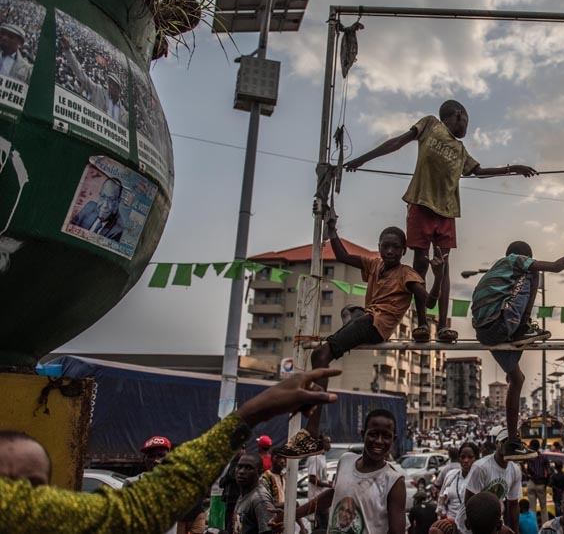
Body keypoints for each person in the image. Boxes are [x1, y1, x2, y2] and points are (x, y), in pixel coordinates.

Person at [0, 367, 341, 534]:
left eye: (32, 487)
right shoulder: (132, 489)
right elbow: (142, 507)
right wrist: (252, 413)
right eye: (6, 482)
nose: (19, 496)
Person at [344, 100, 539, 343]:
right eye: (466, 121)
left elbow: (479, 172)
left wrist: (513, 168)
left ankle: (444, 325)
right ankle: (422, 323)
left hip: (446, 212)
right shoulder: (430, 125)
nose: (466, 127)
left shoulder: (460, 149)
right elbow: (397, 142)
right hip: (421, 204)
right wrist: (362, 159)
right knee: (420, 264)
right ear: (458, 114)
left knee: (443, 266)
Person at [279, 219, 435, 457]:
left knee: (320, 355)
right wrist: (333, 232)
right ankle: (349, 331)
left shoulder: (406, 274)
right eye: (385, 246)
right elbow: (342, 256)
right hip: (365, 318)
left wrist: (439, 276)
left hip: (376, 324)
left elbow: (428, 301)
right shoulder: (374, 265)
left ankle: (312, 433)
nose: (390, 251)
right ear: (379, 247)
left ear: (404, 251)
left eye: (395, 247)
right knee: (349, 311)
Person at [471, 237, 564, 460]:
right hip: (499, 322)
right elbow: (556, 266)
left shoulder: (497, 273)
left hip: (485, 331)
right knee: (535, 273)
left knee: (517, 379)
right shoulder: (517, 261)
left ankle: (512, 442)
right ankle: (523, 326)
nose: (530, 262)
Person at [456, 428, 524, 534]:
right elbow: (469, 501)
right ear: (497, 444)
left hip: (491, 524)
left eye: (512, 445)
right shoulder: (481, 467)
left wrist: (515, 530)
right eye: (505, 442)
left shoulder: (515, 470)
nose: (508, 447)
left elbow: (513, 504)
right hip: (470, 526)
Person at [58, 35, 127, 123]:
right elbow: (81, 74)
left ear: (119, 90)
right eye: (110, 83)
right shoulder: (98, 91)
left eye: (114, 85)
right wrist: (68, 51)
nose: (111, 87)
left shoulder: (124, 114)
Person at [70, 177, 125, 241]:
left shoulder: (117, 230)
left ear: (118, 202)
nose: (105, 205)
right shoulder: (89, 206)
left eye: (111, 199)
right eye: (103, 196)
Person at [232, 453, 274, 534]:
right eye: (239, 467)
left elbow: (268, 531)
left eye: (248, 468)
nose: (241, 472)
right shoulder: (244, 494)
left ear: (260, 472)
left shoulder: (260, 499)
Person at [438, 442, 480, 521]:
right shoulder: (451, 476)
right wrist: (444, 518)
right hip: (450, 522)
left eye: (470, 457)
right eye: (463, 457)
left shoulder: (481, 479)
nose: (466, 460)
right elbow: (441, 500)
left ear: (477, 459)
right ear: (459, 459)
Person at [525, 440, 550, 524]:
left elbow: (527, 470)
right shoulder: (543, 457)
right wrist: (546, 482)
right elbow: (548, 471)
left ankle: (533, 526)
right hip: (541, 484)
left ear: (531, 447)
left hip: (531, 483)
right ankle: (545, 526)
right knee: (543, 507)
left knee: (532, 508)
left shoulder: (529, 457)